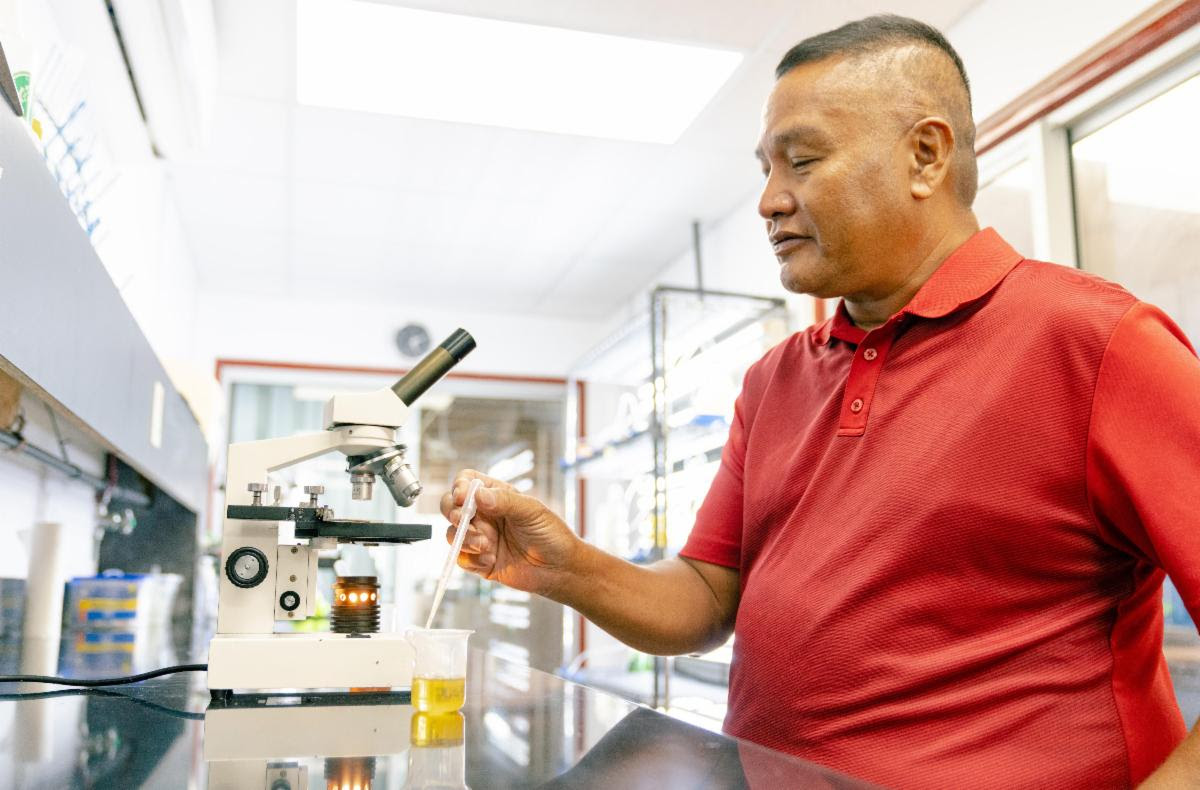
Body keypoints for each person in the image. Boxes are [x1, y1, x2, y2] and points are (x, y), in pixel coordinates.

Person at [440, 14, 1200, 789]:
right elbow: (707, 597)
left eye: (801, 161)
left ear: (926, 156)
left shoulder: (1098, 343)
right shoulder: (775, 379)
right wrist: (564, 568)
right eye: (766, 169)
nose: (769, 201)